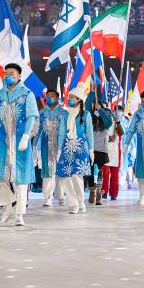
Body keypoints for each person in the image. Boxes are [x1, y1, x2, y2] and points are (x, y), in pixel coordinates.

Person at [0, 63, 39, 226]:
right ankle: (7, 208)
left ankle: (19, 214)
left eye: (11, 73)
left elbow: (32, 116)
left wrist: (26, 136)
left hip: (20, 141)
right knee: (1, 177)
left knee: (21, 178)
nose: (8, 75)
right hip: (3, 141)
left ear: (19, 76)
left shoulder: (27, 94)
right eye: (6, 73)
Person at [56, 85, 94, 214]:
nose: (70, 99)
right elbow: (61, 133)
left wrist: (91, 150)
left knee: (77, 177)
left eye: (72, 97)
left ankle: (81, 202)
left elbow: (89, 133)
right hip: (67, 147)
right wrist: (59, 150)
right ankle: (74, 204)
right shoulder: (65, 114)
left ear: (79, 99)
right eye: (69, 97)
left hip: (81, 147)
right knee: (67, 177)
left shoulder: (86, 114)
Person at [36, 89, 67, 206]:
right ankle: (47, 197)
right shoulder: (41, 114)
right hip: (46, 148)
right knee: (47, 172)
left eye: (52, 96)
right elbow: (38, 132)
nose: (50, 98)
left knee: (60, 173)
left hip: (61, 147)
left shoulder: (64, 114)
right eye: (48, 96)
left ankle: (60, 196)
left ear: (58, 98)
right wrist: (34, 147)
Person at [88, 101, 112, 205]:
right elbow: (88, 105)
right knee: (90, 171)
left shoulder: (105, 121)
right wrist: (92, 93)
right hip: (91, 148)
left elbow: (109, 122)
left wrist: (101, 110)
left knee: (100, 172)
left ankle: (99, 193)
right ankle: (92, 190)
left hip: (102, 148)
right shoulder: (90, 119)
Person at [102, 109, 121, 200]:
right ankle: (104, 192)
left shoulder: (116, 122)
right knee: (105, 173)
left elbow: (122, 132)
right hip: (105, 150)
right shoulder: (102, 123)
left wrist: (118, 123)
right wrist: (108, 138)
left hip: (115, 151)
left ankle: (114, 193)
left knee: (114, 173)